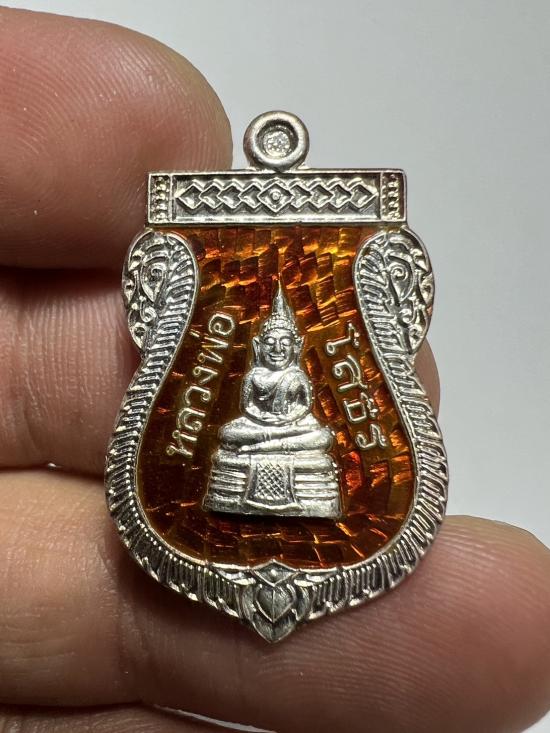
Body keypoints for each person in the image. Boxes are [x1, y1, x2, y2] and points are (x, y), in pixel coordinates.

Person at [0, 7, 549, 733]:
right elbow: (256, 409)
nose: (278, 358)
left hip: (293, 442)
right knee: (238, 428)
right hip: (253, 439)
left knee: (314, 433)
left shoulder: (298, 361)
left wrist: (289, 419)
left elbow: (295, 408)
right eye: (273, 350)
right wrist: (262, 418)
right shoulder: (256, 362)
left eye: (283, 349)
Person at [204, 284, 340, 516]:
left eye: (285, 343)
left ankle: (263, 446)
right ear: (258, 346)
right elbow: (247, 406)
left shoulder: (297, 375)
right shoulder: (253, 376)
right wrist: (263, 420)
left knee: (322, 437)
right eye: (270, 342)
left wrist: (286, 421)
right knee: (228, 433)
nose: (277, 349)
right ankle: (268, 444)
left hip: (293, 426)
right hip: (257, 425)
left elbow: (305, 406)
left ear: (296, 347)